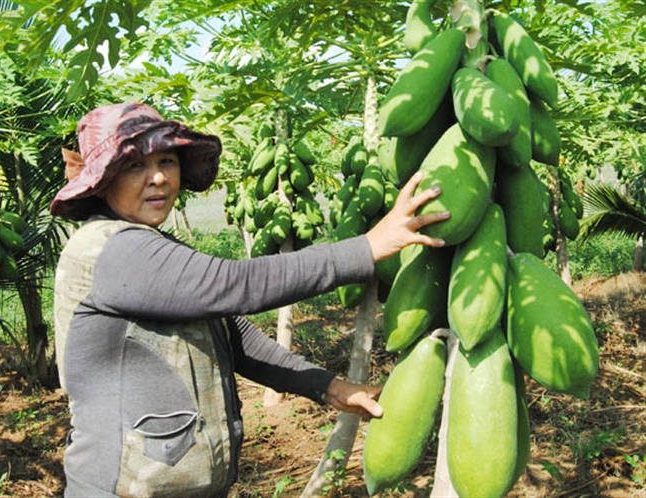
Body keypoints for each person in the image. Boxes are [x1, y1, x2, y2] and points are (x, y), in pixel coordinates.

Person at [50, 102, 449, 498]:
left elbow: (232, 332)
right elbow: (234, 285)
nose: (157, 178)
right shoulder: (108, 249)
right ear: (103, 180)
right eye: (135, 166)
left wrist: (328, 387)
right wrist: (366, 249)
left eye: (167, 161)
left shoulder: (146, 243)